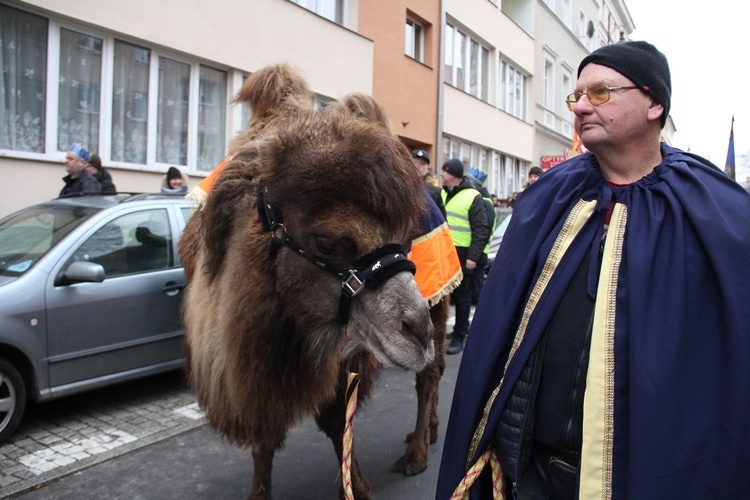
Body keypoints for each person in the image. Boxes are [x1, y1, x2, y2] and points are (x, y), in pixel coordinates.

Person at [436, 40, 750, 499]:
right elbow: (499, 331)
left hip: (644, 472)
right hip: (530, 469)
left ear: (654, 103)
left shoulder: (714, 210)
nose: (581, 106)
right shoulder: (549, 198)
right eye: (576, 96)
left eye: (600, 93)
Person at [440, 158, 490, 355]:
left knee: (462, 297)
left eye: (445, 170)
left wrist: (473, 257)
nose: (441, 173)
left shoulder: (472, 196)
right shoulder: (443, 193)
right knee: (443, 296)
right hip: (443, 252)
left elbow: (481, 229)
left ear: (454, 173)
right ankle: (447, 331)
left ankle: (460, 335)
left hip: (462, 254)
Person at [411, 149, 445, 218]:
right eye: (415, 162)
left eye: (422, 164)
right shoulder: (399, 186)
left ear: (427, 168)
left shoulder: (435, 192)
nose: (418, 166)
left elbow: (440, 220)